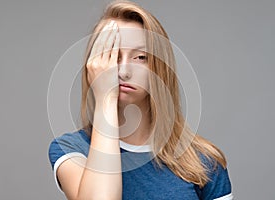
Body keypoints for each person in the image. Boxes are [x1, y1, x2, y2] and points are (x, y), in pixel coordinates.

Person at [48, 0, 233, 199]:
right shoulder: (71, 149)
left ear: (159, 69)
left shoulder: (204, 161)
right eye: (112, 56)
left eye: (140, 57)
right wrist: (106, 101)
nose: (124, 71)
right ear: (94, 65)